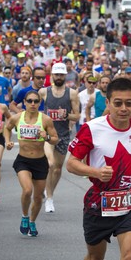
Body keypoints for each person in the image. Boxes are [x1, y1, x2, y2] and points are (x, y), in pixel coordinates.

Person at [66, 78, 131, 260]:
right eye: (118, 103)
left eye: (129, 103)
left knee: (129, 255)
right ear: (108, 103)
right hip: (99, 201)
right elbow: (71, 164)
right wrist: (96, 172)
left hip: (129, 200)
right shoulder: (92, 128)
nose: (123, 109)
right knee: (95, 256)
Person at [4, 90, 58, 237]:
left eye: (36, 101)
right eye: (30, 101)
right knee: (27, 190)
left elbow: (55, 139)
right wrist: (8, 141)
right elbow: (7, 128)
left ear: (39, 103)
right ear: (25, 103)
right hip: (23, 160)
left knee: (38, 196)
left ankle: (33, 221)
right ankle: (24, 216)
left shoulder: (45, 119)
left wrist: (46, 136)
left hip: (40, 162)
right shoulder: (17, 117)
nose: (33, 104)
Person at [39, 63, 80, 213]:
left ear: (65, 76)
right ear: (52, 76)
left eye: (61, 75)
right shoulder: (44, 92)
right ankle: (49, 198)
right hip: (47, 133)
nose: (58, 77)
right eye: (56, 74)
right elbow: (32, 106)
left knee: (57, 169)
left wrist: (67, 115)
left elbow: (77, 115)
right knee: (50, 164)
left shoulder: (72, 94)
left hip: (63, 134)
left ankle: (50, 193)